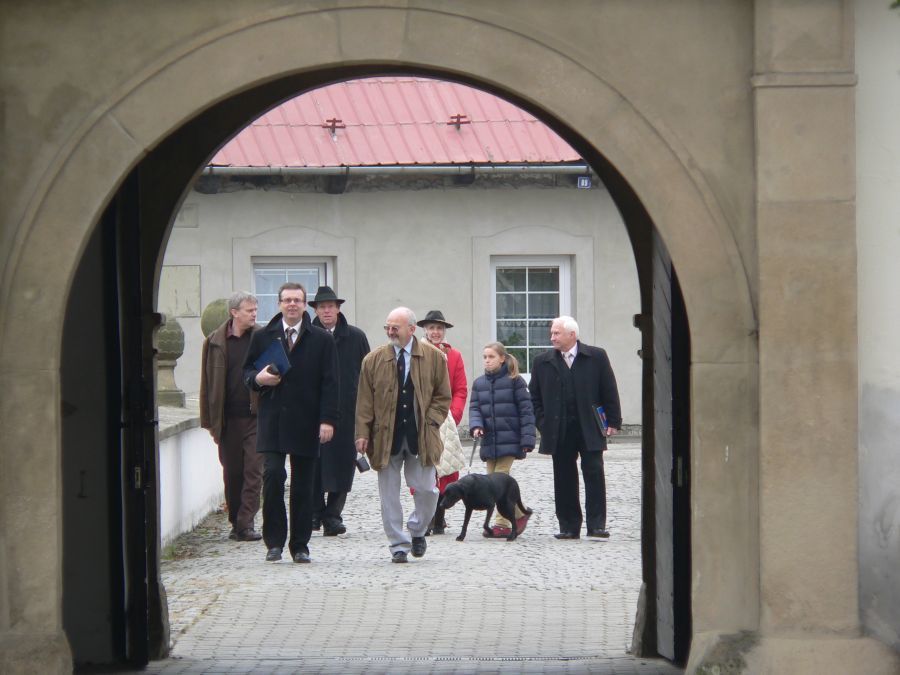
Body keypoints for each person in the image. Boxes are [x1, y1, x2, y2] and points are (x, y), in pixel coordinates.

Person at [243, 282, 339, 563]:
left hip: (307, 420)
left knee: (303, 485)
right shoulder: (263, 336)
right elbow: (246, 372)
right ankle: (274, 542)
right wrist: (258, 379)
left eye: (297, 300)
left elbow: (331, 383)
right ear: (279, 304)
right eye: (287, 300)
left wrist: (328, 420)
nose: (292, 304)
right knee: (273, 477)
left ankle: (299, 545)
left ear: (304, 304)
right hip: (273, 419)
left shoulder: (321, 339)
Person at [355, 307, 451, 563]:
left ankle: (418, 529)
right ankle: (398, 545)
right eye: (387, 327)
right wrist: (362, 432)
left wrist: (431, 421)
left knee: (428, 490)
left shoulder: (434, 357)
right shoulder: (373, 360)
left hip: (422, 436)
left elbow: (443, 396)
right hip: (385, 438)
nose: (390, 332)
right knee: (389, 496)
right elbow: (364, 401)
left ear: (411, 329)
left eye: (395, 328)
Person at [529, 316, 622, 539]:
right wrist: (542, 422)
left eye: (556, 333)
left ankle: (596, 525)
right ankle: (569, 526)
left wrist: (613, 421)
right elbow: (534, 397)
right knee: (563, 477)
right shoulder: (542, 361)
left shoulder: (596, 356)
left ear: (572, 335)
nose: (552, 337)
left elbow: (609, 389)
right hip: (558, 429)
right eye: (552, 333)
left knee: (594, 473)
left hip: (589, 426)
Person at [199, 291, 263, 542]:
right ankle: (236, 521)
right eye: (249, 310)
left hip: (256, 416)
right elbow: (207, 384)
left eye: (255, 310)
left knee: (253, 471)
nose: (254, 314)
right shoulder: (214, 342)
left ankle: (246, 523)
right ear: (234, 312)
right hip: (227, 419)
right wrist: (209, 421)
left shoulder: (262, 337)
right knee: (233, 472)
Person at [309, 286, 370, 536]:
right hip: (313, 411)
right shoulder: (306, 335)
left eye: (331, 306)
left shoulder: (356, 337)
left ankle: (333, 515)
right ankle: (314, 512)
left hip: (348, 411)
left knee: (343, 465)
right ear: (315, 310)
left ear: (338, 309)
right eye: (322, 307)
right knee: (313, 463)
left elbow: (368, 375)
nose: (326, 311)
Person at [468, 341, 536, 537]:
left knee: (498, 482)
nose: (487, 361)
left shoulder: (516, 381)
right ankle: (519, 513)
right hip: (489, 441)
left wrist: (527, 439)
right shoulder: (479, 383)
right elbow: (474, 409)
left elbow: (526, 411)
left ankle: (502, 524)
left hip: (510, 440)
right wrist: (476, 426)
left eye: (491, 357)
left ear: (502, 359)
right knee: (491, 483)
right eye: (485, 357)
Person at [416, 309, 467, 535]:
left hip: (446, 420)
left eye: (439, 328)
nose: (435, 332)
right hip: (421, 418)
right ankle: (425, 516)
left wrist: (452, 415)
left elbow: (460, 389)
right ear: (425, 330)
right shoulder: (416, 353)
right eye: (431, 328)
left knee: (445, 470)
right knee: (423, 467)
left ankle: (439, 517)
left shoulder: (454, 356)